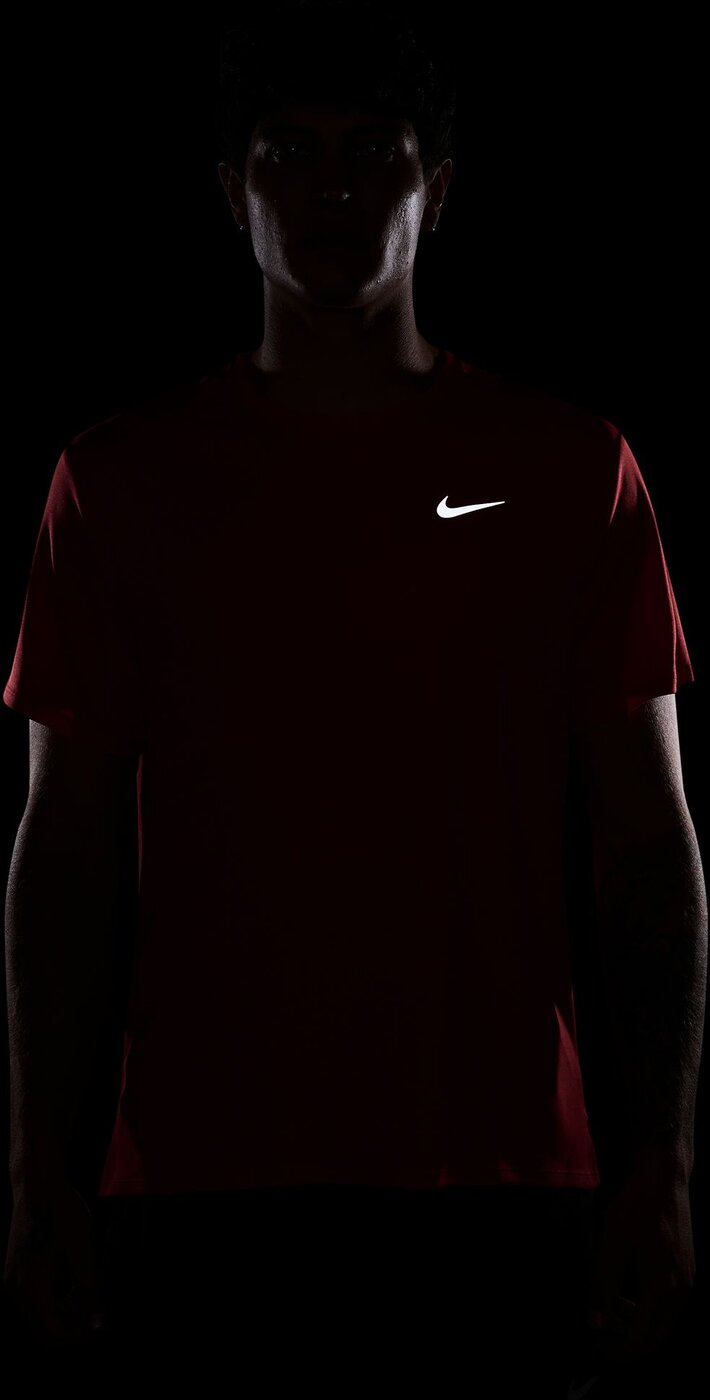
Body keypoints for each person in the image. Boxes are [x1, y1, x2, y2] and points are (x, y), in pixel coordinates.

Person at [2, 3, 706, 1394]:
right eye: (290, 153)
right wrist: (37, 1174)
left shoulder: (570, 471)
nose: (331, 188)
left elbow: (645, 842)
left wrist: (665, 1167)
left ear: (435, 190)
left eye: (373, 152)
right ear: (233, 192)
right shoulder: (119, 481)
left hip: (500, 1177)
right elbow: (65, 849)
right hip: (195, 1178)